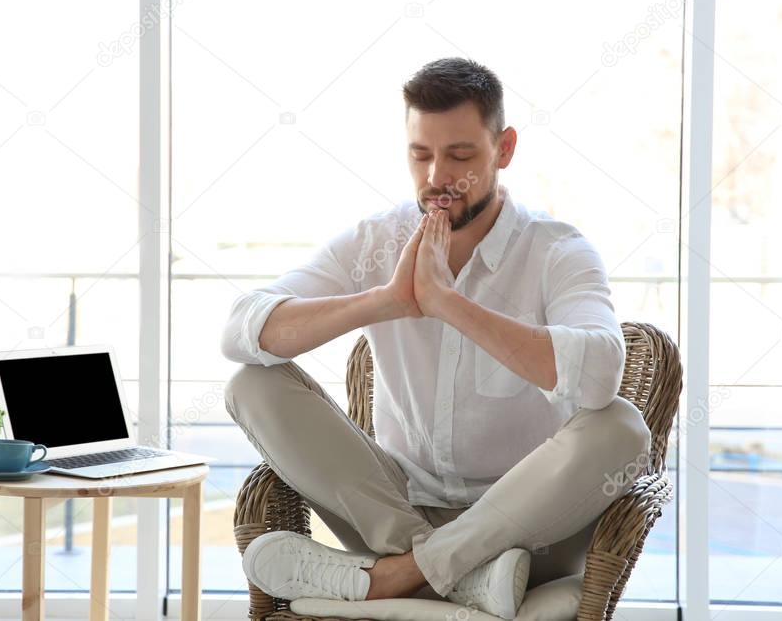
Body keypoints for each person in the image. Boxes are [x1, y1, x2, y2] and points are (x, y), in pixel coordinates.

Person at [221, 57, 651, 619]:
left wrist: (449, 304)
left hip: (525, 533)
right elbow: (242, 329)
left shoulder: (557, 250)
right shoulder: (376, 240)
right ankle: (447, 571)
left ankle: (401, 576)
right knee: (253, 383)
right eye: (420, 155)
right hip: (392, 514)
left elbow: (599, 374)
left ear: (505, 149)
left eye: (461, 156)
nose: (435, 178)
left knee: (619, 426)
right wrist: (387, 301)